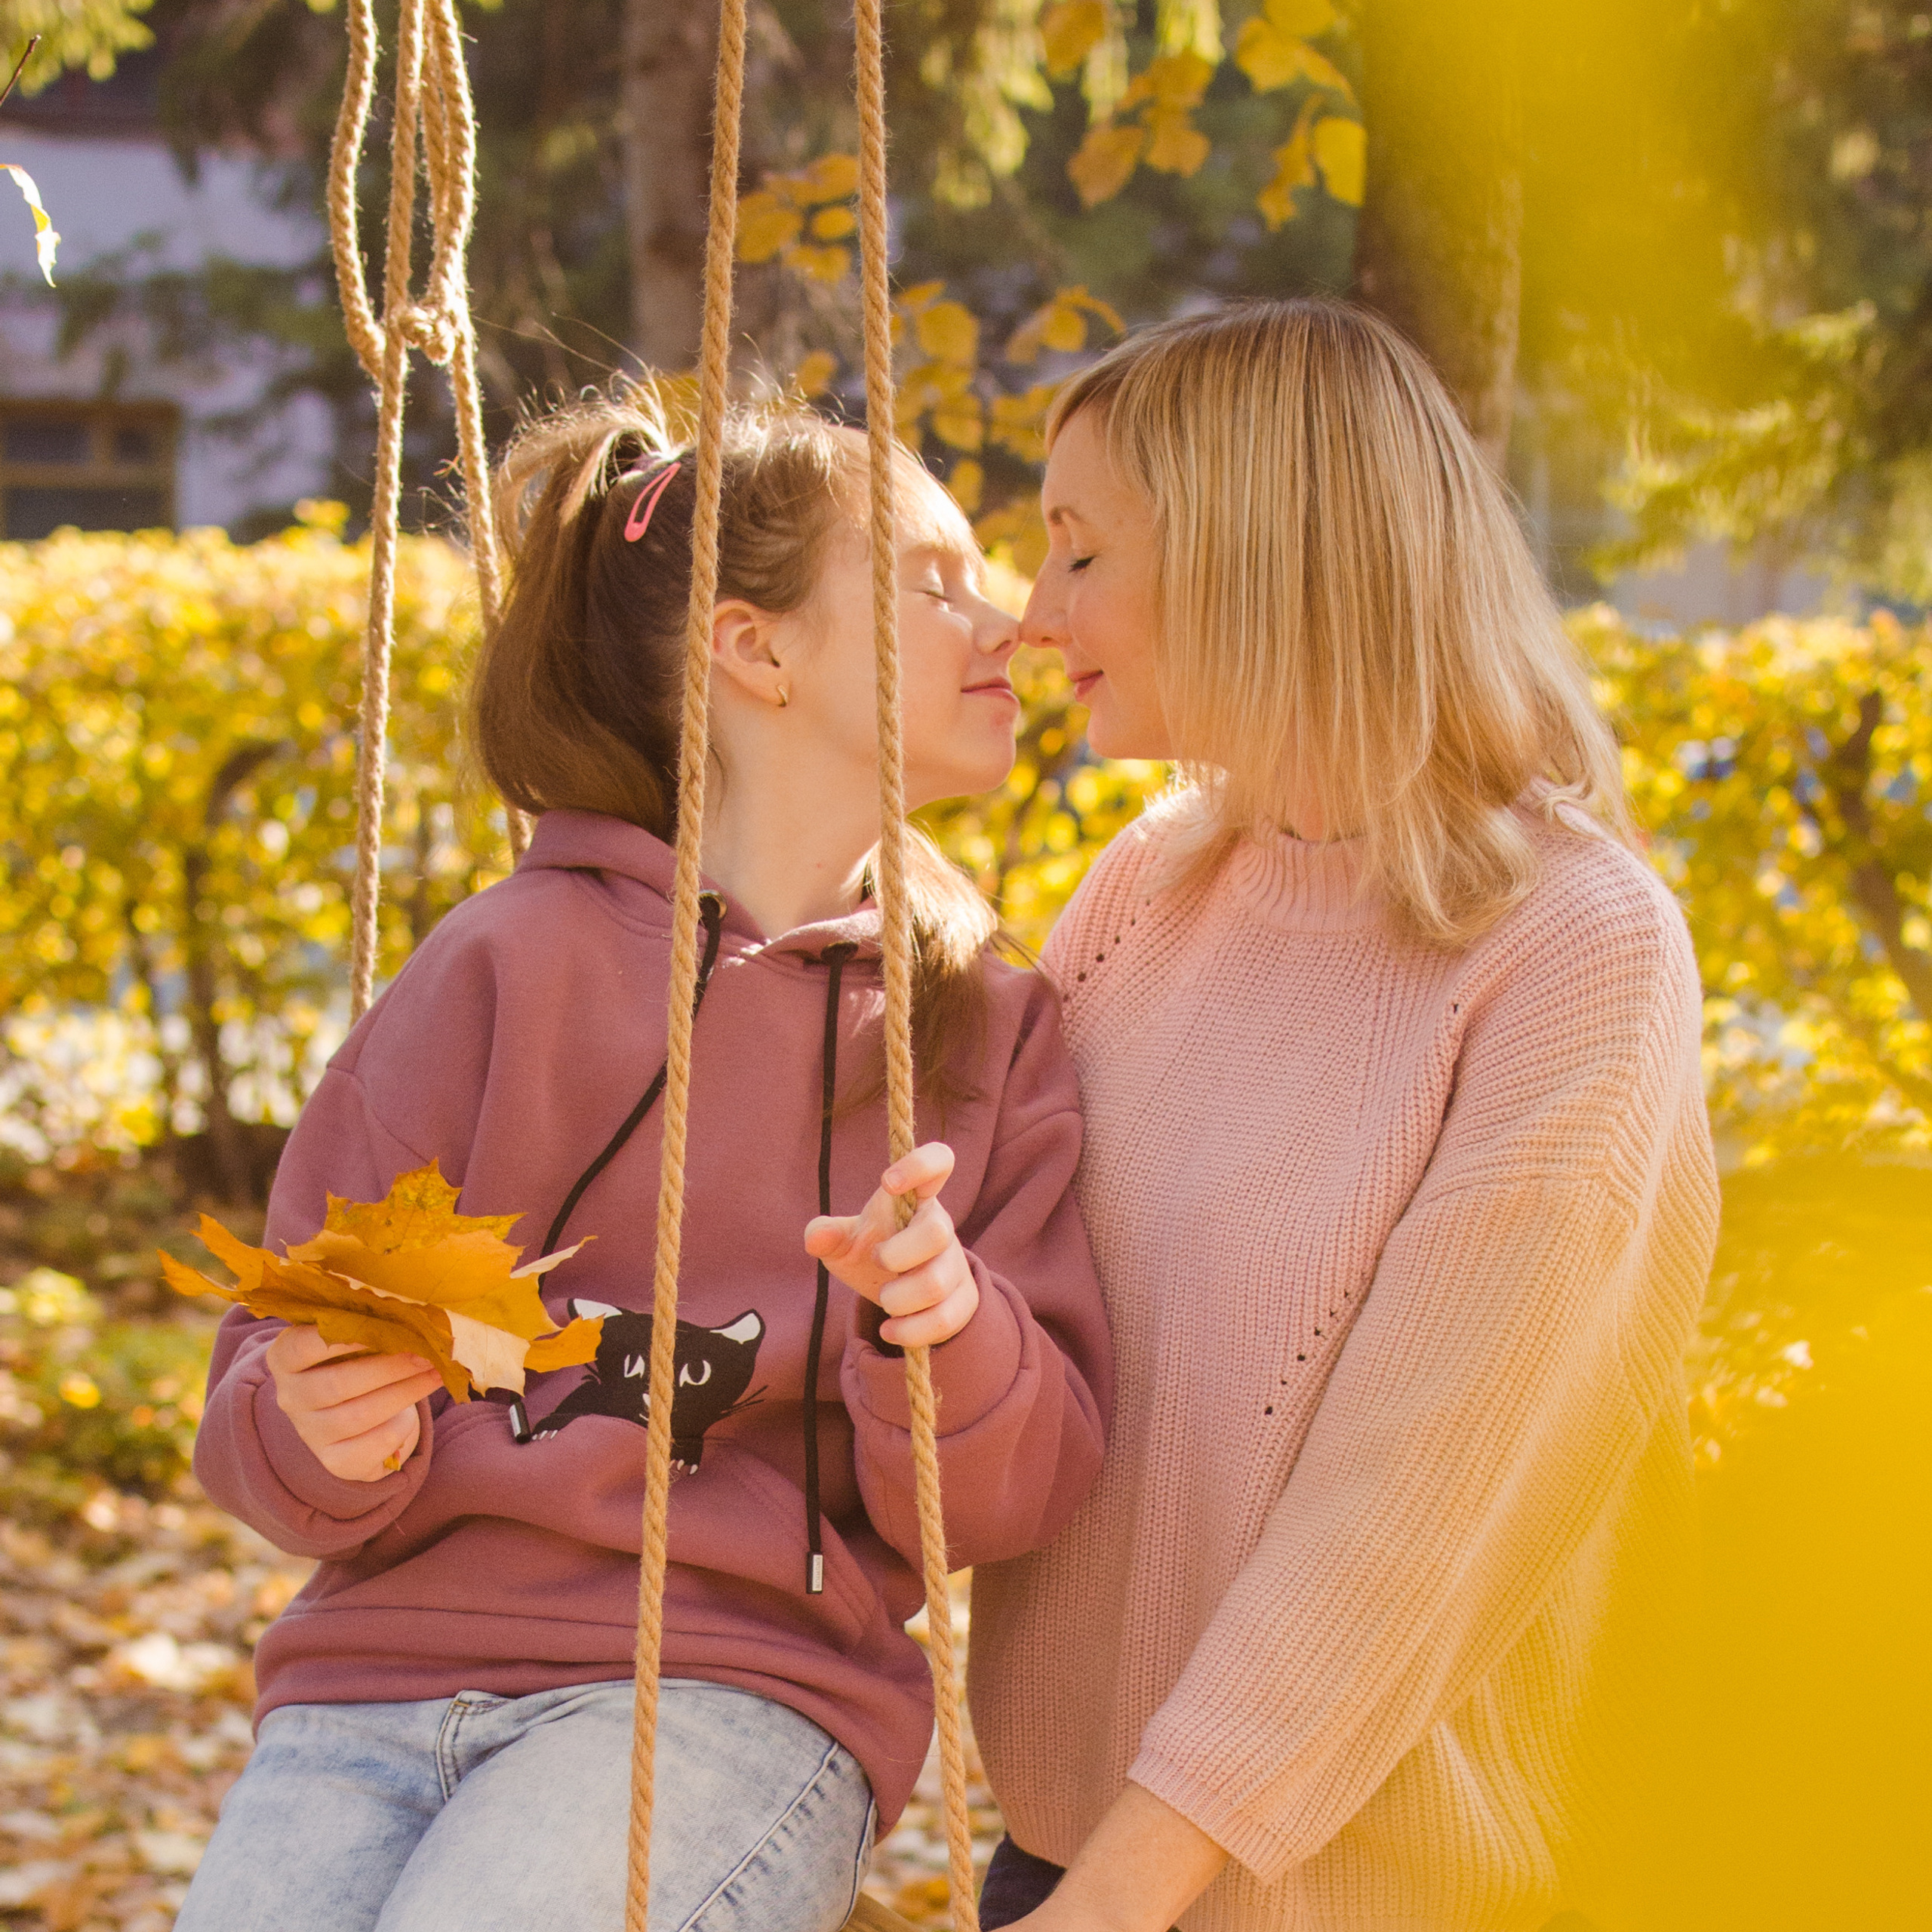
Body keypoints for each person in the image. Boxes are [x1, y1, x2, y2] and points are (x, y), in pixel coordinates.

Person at [178, 392, 1111, 1932]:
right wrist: (318, 1424)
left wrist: (938, 1326)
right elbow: (270, 1390)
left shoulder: (973, 1030)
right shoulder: (495, 969)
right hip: (372, 1686)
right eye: (939, 580)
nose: (1008, 621)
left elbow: (1011, 1497)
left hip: (728, 1690)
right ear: (755, 649)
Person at [968, 300, 1719, 1932]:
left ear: (1259, 557)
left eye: (1081, 552)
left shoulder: (1571, 949)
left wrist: (1114, 1898)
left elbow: (1408, 1506)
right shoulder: (1143, 891)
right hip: (1064, 1859)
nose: (1034, 610)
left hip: (1369, 1899)